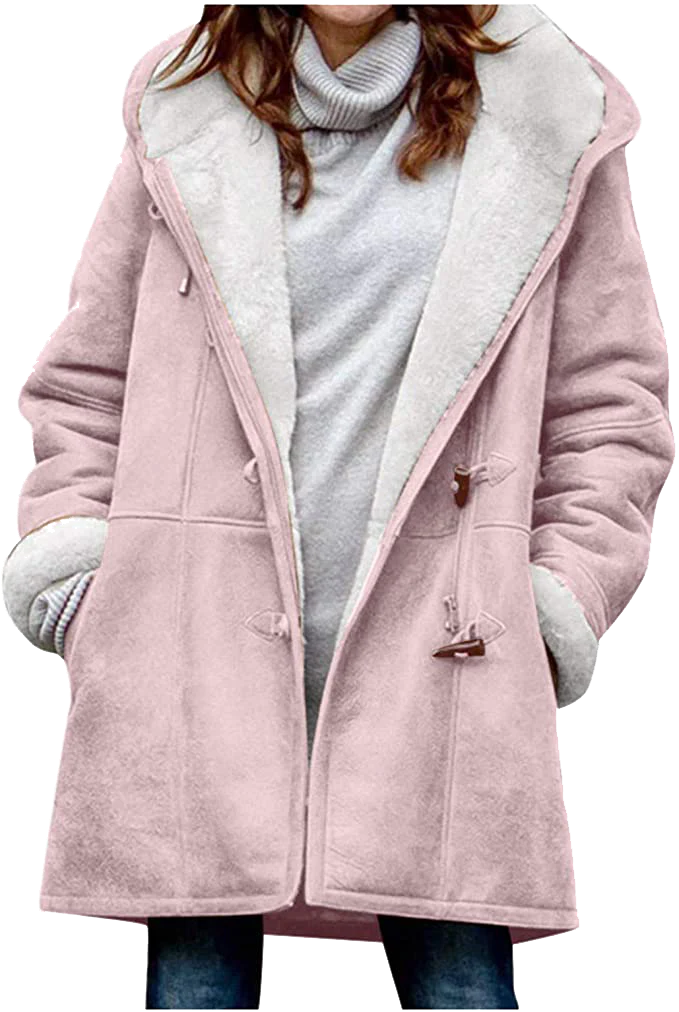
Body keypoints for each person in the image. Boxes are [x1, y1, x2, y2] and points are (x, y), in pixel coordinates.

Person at [1, 4, 673, 1010]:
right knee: (196, 988)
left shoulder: (544, 114)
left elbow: (611, 407)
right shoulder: (185, 104)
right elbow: (88, 380)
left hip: (447, 654)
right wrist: (76, 573)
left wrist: (550, 601)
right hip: (192, 647)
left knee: (460, 984)